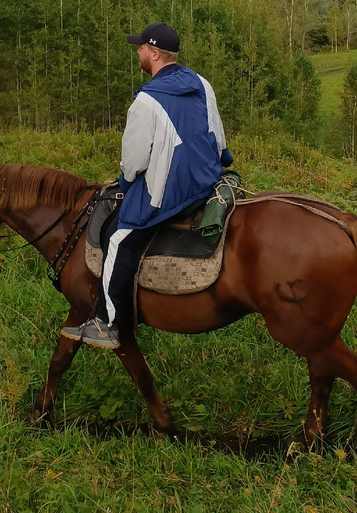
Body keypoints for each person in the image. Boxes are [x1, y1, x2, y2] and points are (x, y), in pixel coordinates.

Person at [63, 22, 233, 349]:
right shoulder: (202, 82)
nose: (138, 52)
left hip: (172, 192)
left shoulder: (146, 100)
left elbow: (135, 161)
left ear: (154, 54)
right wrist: (221, 161)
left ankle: (106, 323)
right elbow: (219, 136)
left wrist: (126, 184)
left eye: (141, 47)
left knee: (118, 237)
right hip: (208, 178)